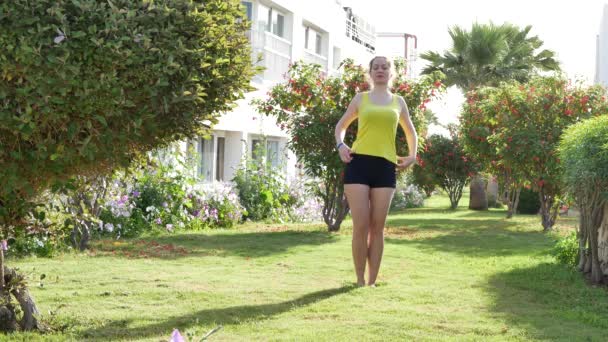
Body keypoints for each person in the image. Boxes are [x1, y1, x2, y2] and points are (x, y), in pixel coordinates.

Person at [334, 56, 418, 287]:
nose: (380, 70)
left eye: (385, 67)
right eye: (376, 67)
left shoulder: (398, 101)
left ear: (391, 73)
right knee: (361, 224)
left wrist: (412, 155)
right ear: (370, 73)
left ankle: (372, 282)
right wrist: (341, 146)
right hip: (358, 164)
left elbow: (411, 131)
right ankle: (360, 280)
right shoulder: (360, 99)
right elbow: (340, 127)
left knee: (377, 226)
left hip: (385, 167)